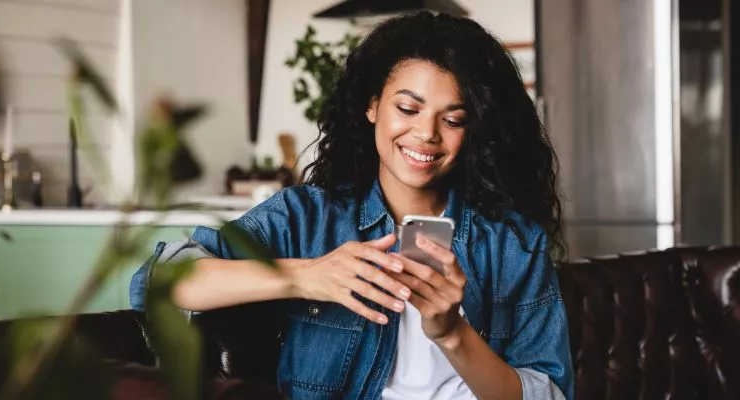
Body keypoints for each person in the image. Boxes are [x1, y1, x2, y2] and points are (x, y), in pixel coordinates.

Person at [130, 11, 573, 400]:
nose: (427, 134)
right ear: (373, 106)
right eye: (408, 108)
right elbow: (160, 282)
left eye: (453, 119)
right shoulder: (306, 219)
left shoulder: (511, 241)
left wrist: (454, 334)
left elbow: (547, 393)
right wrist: (306, 275)